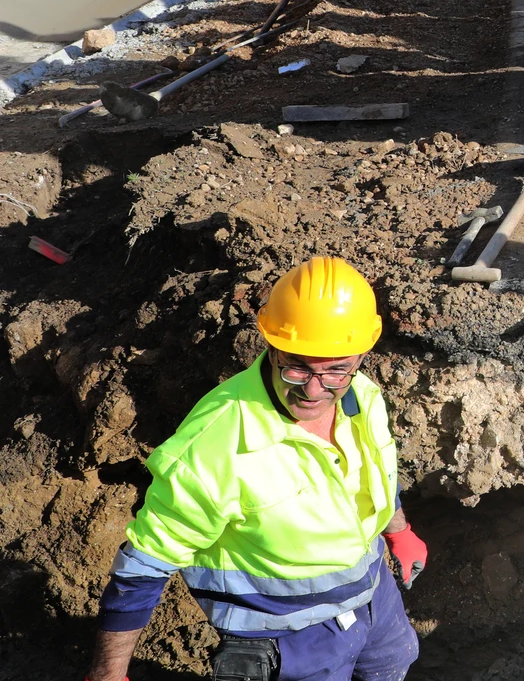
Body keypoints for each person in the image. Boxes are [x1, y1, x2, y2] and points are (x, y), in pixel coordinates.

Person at [86, 259, 424, 681]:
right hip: (288, 636)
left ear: (360, 355)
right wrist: (107, 675)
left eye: (336, 369)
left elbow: (377, 471)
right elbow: (143, 568)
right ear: (272, 345)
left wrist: (397, 530)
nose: (315, 389)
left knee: (395, 660)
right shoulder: (218, 443)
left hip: (374, 596)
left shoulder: (362, 395)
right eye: (298, 366)